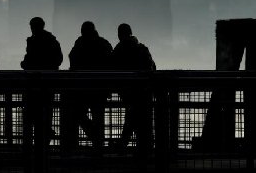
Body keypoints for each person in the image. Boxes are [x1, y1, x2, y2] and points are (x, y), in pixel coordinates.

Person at [110, 23, 155, 155]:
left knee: (132, 119)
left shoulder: (118, 51)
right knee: (143, 122)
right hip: (145, 91)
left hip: (128, 93)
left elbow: (113, 69)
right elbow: (152, 67)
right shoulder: (142, 48)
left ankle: (124, 146)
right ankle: (145, 150)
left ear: (119, 35)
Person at [67, 21, 113, 149]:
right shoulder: (103, 44)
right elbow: (110, 63)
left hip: (82, 88)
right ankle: (98, 145)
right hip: (100, 88)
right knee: (98, 118)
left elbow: (72, 61)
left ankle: (94, 138)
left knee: (78, 114)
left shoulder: (79, 43)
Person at [20, 17, 63, 149]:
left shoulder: (33, 41)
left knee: (31, 116)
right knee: (44, 114)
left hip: (33, 84)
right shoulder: (51, 40)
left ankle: (35, 146)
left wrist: (26, 64)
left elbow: (29, 60)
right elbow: (58, 60)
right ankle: (43, 144)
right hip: (47, 84)